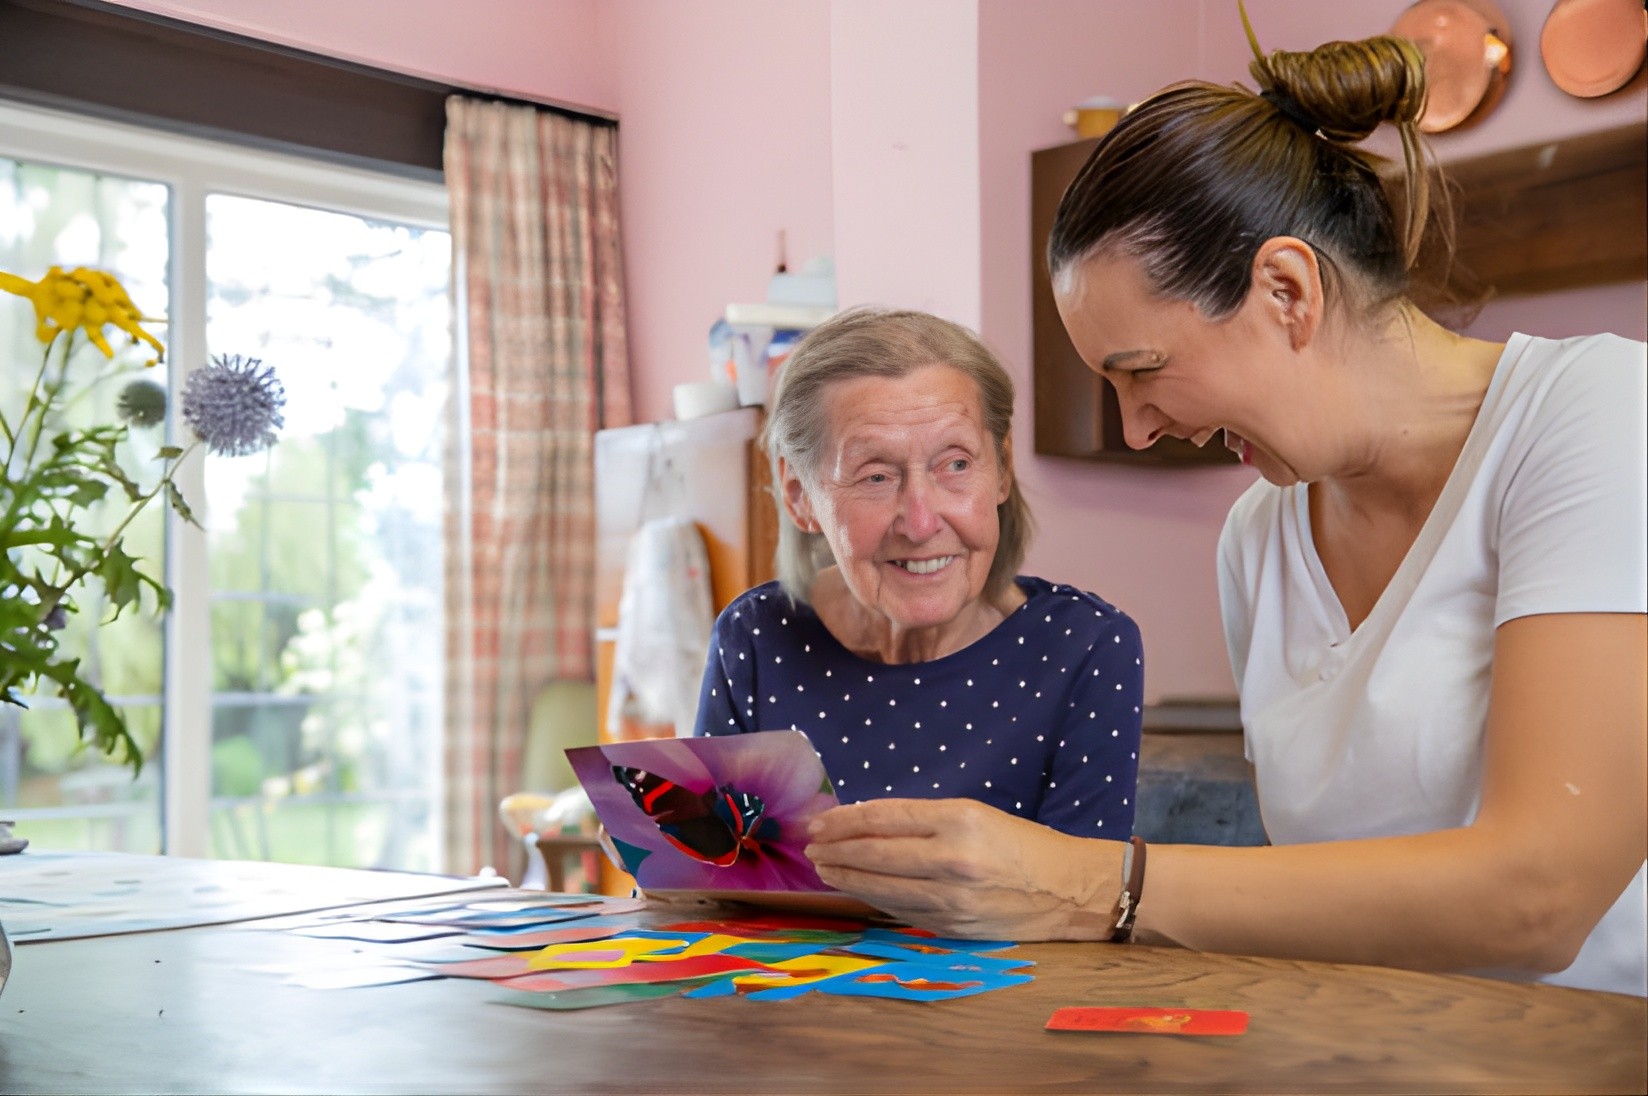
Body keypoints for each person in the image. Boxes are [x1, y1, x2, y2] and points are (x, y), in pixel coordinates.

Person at [803, 23, 1647, 997]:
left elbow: (1540, 896)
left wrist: (1083, 883)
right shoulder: (1259, 534)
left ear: (1287, 291)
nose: (1138, 427)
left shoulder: (1595, 415)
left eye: (1143, 372)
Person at [694, 306, 1144, 839]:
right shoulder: (755, 639)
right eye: (876, 476)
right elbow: (714, 882)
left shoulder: (1085, 647)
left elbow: (1084, 901)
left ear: (1001, 470)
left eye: (955, 464)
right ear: (800, 497)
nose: (921, 522)